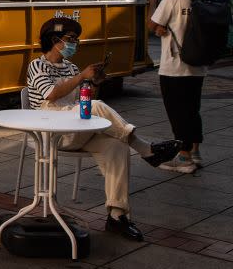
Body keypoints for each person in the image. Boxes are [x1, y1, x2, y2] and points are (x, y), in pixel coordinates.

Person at [27, 17, 181, 241]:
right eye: (70, 39)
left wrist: (93, 83)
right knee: (98, 108)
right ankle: (146, 149)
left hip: (75, 127)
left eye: (76, 40)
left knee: (117, 145)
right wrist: (81, 77)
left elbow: (84, 103)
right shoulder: (37, 65)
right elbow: (51, 95)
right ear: (54, 39)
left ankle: (117, 216)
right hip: (51, 132)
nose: (74, 44)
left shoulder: (70, 67)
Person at [148, 0, 208, 172]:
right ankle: (195, 152)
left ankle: (183, 158)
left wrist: (152, 5)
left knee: (178, 113)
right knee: (193, 110)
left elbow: (151, 24)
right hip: (198, 67)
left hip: (174, 67)